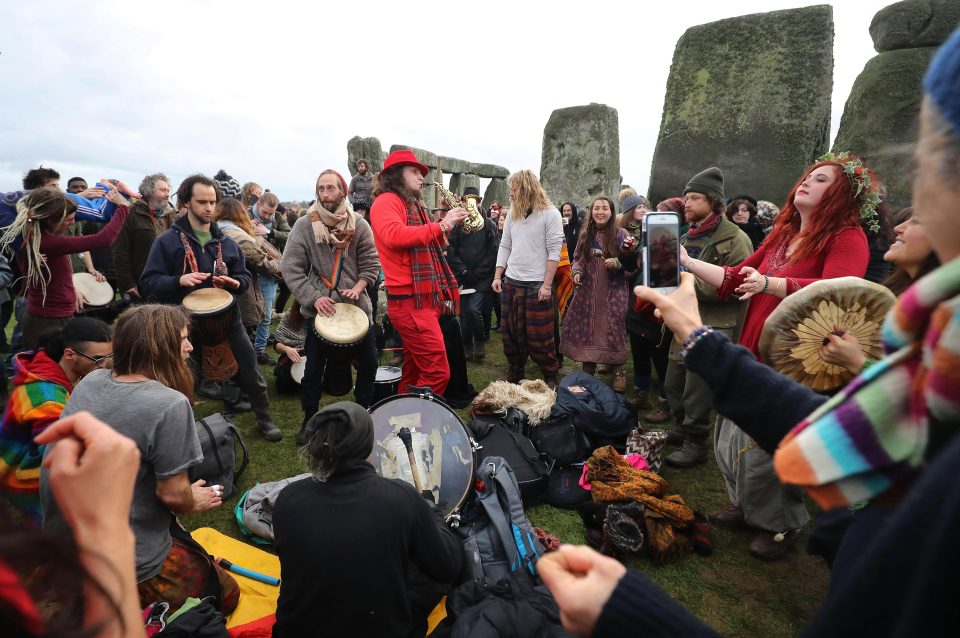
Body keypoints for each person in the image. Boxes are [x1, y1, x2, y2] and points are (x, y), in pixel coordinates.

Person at [679, 156, 873, 559]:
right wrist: (685, 261)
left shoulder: (846, 236)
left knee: (770, 446)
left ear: (840, 194)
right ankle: (744, 503)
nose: (805, 182)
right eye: (805, 176)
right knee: (730, 434)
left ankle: (780, 524)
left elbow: (840, 291)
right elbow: (735, 278)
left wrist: (774, 283)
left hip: (798, 357)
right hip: (755, 344)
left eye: (819, 180)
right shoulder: (783, 234)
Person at [41, 304, 239, 616]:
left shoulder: (92, 380)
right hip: (123, 563)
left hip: (65, 546)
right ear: (159, 349)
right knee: (225, 596)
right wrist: (193, 500)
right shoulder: (169, 404)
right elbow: (173, 495)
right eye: (184, 339)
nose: (190, 347)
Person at [272, 402, 462, 638]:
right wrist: (430, 510)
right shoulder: (402, 498)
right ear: (369, 449)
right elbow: (447, 567)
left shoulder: (287, 498)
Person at [139, 174, 282, 442]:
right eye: (201, 201)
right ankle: (183, 432)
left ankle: (263, 417)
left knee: (250, 368)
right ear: (186, 203)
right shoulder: (167, 242)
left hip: (227, 317)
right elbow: (148, 282)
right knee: (184, 379)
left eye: (212, 202)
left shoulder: (226, 242)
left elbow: (244, 277)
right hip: (184, 323)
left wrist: (234, 283)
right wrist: (177, 280)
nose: (208, 208)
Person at [662, 168, 753, 467]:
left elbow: (734, 287)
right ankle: (682, 423)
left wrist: (684, 282)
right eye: (686, 197)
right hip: (685, 318)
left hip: (714, 323)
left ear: (713, 201)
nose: (686, 203)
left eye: (694, 198)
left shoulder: (735, 240)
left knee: (697, 386)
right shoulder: (687, 236)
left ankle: (696, 440)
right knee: (674, 381)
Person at [283, 169, 380, 437]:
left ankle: (364, 413)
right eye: (321, 189)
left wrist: (359, 287)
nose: (325, 194)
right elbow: (290, 267)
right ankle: (309, 419)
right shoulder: (305, 224)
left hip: (356, 310)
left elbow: (372, 264)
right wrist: (314, 298)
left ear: (342, 191)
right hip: (322, 309)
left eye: (331, 188)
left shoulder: (359, 225)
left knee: (370, 362)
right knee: (313, 368)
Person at [370, 150, 469, 395]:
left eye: (421, 173)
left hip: (422, 299)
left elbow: (427, 243)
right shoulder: (386, 201)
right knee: (437, 373)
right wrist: (443, 224)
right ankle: (422, 424)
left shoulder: (411, 204)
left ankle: (403, 419)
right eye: (414, 171)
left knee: (415, 371)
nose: (420, 177)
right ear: (396, 175)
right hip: (410, 303)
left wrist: (447, 225)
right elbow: (394, 235)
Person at [0, 317, 112, 522]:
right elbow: (59, 454)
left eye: (109, 357)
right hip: (22, 477)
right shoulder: (45, 396)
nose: (105, 366)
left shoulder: (68, 371)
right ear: (69, 354)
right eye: (97, 359)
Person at [0, 187, 129, 350]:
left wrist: (71, 289)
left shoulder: (32, 238)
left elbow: (55, 277)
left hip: (46, 316)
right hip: (50, 321)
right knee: (52, 370)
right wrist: (123, 207)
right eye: (67, 220)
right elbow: (103, 239)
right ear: (50, 221)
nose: (72, 223)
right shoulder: (47, 243)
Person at [820, 206, 942, 376]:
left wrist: (858, 362)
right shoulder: (894, 292)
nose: (897, 228)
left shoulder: (947, 314)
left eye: (916, 221)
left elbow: (929, 392)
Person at [492, 170, 565, 387]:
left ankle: (550, 373)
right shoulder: (514, 213)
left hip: (536, 285)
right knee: (510, 332)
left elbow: (554, 253)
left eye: (513, 190)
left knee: (540, 335)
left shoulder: (551, 214)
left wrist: (547, 285)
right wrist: (498, 275)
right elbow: (505, 245)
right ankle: (515, 368)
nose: (510, 195)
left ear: (525, 189)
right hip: (512, 281)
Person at [560, 196, 631, 391]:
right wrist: (577, 272)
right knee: (588, 330)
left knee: (613, 329)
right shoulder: (586, 235)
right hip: (588, 291)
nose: (600, 212)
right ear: (591, 212)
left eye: (605, 208)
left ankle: (619, 372)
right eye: (596, 208)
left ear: (611, 212)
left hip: (613, 291)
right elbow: (578, 259)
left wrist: (617, 263)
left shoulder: (620, 234)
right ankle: (587, 373)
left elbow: (632, 263)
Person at [619, 194, 671, 411]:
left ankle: (666, 400)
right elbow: (632, 268)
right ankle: (642, 394)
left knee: (659, 353)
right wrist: (627, 252)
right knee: (639, 349)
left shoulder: (667, 237)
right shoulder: (641, 235)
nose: (646, 211)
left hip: (657, 301)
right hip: (638, 299)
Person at [216, 197, 281, 341]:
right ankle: (257, 350)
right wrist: (280, 263)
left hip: (217, 293)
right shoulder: (240, 237)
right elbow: (264, 265)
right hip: (240, 293)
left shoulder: (212, 231)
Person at [446, 186, 499, 361]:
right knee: (464, 314)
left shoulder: (489, 225)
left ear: (479, 202)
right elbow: (452, 250)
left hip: (482, 278)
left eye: (474, 200)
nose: (470, 203)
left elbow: (493, 253)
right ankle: (467, 344)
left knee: (475, 311)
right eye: (467, 199)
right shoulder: (459, 226)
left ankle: (480, 341)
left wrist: (477, 272)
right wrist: (463, 270)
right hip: (463, 276)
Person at [112, 173, 174, 301]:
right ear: (149, 191)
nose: (167, 194)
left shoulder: (172, 214)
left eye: (168, 190)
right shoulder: (131, 213)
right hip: (142, 283)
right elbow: (121, 251)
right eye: (162, 190)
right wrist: (128, 284)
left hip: (169, 280)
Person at [249, 191, 290, 361]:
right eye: (264, 212)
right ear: (258, 203)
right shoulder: (244, 215)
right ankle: (247, 347)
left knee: (266, 314)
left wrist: (269, 231)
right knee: (246, 314)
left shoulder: (279, 218)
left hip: (269, 272)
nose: (267, 215)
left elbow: (289, 235)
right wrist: (247, 227)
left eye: (270, 213)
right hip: (248, 270)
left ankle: (259, 350)